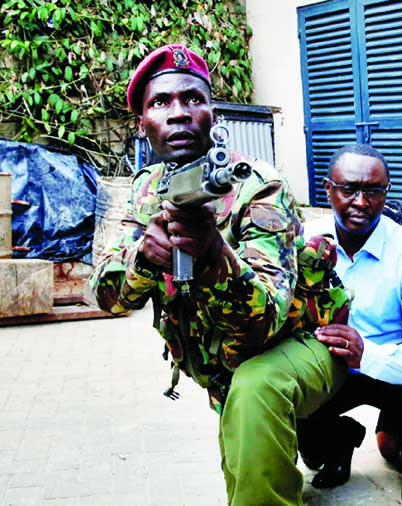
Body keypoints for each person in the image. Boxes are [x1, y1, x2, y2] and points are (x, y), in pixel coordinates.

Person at [89, 44, 347, 506]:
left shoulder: (257, 186)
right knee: (242, 457)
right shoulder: (143, 189)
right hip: (224, 363)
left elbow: (264, 319)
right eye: (160, 102)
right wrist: (144, 260)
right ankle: (329, 441)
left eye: (193, 99)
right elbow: (106, 296)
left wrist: (212, 255)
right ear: (141, 124)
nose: (180, 113)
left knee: (253, 398)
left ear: (213, 113)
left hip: (303, 342)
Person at [299, 144, 402, 506]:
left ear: (387, 192)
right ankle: (341, 440)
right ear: (328, 188)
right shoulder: (302, 242)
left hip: (387, 361)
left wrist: (366, 355)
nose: (361, 202)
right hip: (327, 364)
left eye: (373, 191)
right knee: (311, 450)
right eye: (348, 189)